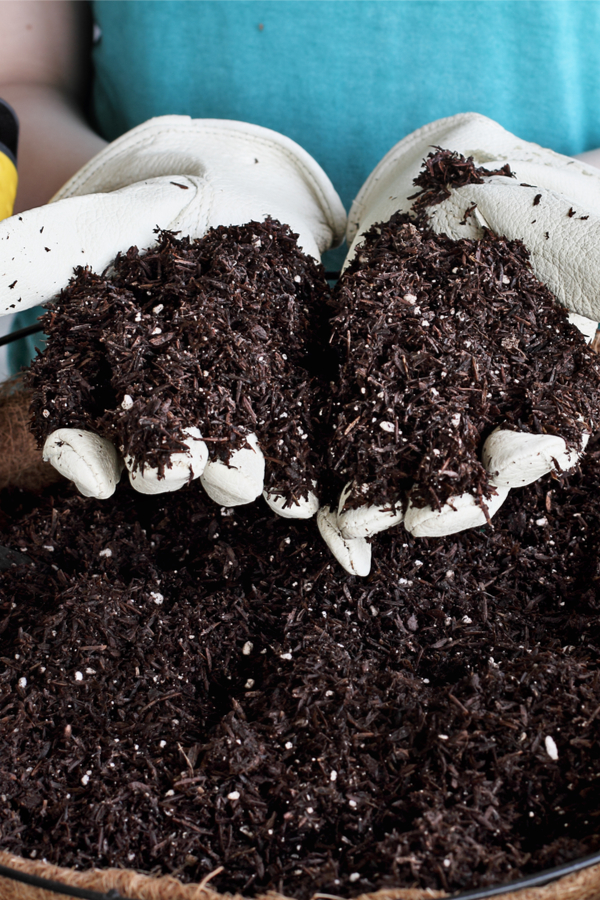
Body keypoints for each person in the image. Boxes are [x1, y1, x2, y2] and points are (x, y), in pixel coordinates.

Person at [1, 0, 600, 574]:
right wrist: (152, 175)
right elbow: (23, 77)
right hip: (142, 346)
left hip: (542, 298)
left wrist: (572, 187)